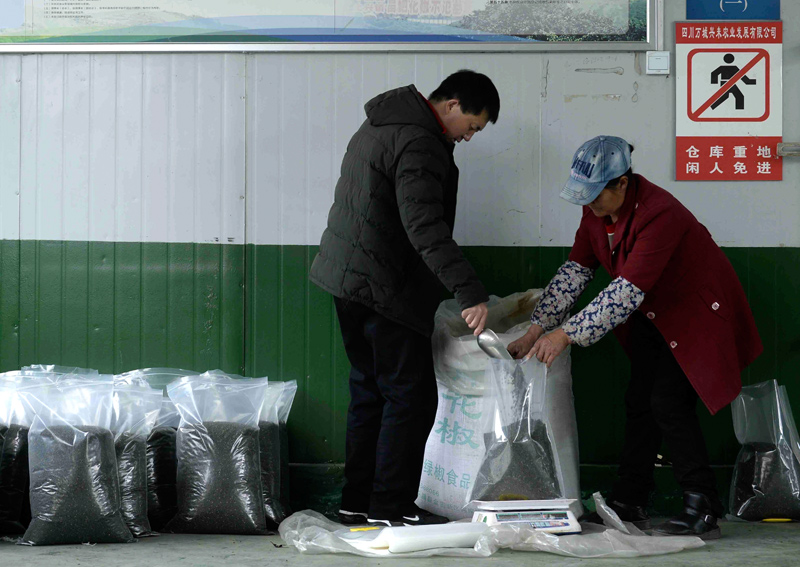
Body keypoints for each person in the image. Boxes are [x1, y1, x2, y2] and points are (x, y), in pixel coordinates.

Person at [508, 135, 762, 539]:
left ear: (622, 184)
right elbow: (576, 271)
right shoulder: (595, 213)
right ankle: (630, 499)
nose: (588, 206)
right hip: (650, 315)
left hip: (695, 315)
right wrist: (536, 327)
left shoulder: (661, 213)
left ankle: (702, 505)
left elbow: (625, 291)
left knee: (667, 402)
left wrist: (565, 336)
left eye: (595, 196)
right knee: (639, 400)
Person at [309, 70, 501, 527]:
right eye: (471, 125)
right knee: (409, 398)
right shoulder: (419, 141)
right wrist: (469, 291)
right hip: (384, 287)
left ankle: (357, 501)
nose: (469, 137)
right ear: (451, 105)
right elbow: (424, 227)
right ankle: (391, 507)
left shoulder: (380, 122)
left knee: (370, 392)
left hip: (347, 281)